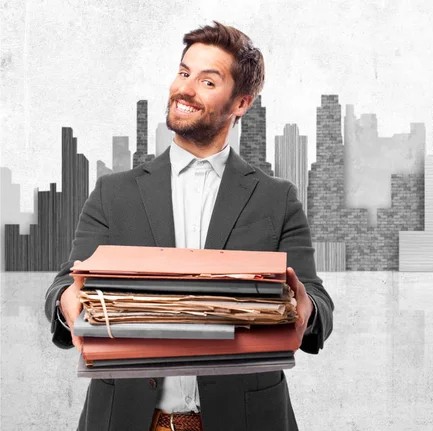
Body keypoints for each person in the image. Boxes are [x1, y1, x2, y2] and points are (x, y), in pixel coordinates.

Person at [44, 21, 334, 431]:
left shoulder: (277, 198)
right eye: (184, 73)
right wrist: (66, 303)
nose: (185, 89)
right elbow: (63, 287)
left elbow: (317, 300)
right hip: (125, 418)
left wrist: (307, 309)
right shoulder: (114, 193)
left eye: (207, 81)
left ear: (241, 103)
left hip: (246, 419)